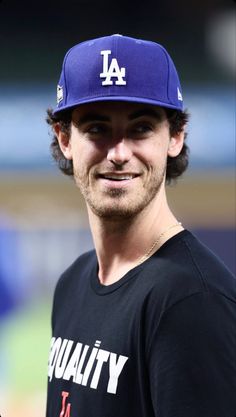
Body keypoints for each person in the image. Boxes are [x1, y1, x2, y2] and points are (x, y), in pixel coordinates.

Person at [46, 34, 236, 417]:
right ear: (65, 138)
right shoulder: (73, 283)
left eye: (140, 129)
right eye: (97, 128)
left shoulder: (192, 300)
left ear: (175, 137)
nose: (118, 153)